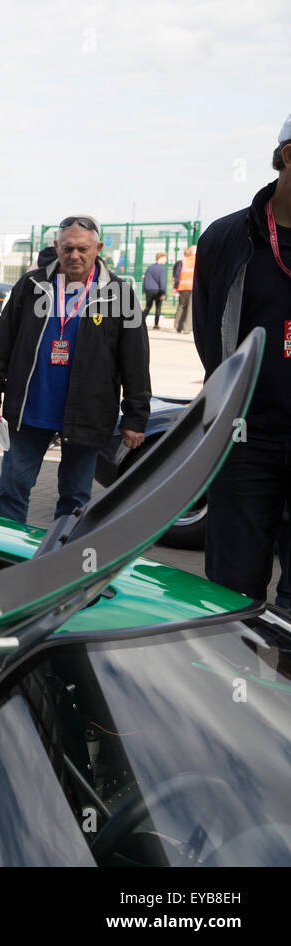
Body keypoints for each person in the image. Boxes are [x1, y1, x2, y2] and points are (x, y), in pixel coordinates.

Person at [0, 215, 150, 524]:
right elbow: (1, 342)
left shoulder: (119, 294)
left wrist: (136, 417)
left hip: (88, 413)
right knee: (13, 489)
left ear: (97, 248)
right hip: (30, 410)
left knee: (75, 498)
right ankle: (4, 559)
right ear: (57, 247)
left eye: (83, 249)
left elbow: (135, 361)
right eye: (68, 248)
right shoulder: (30, 287)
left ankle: (63, 561)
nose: (75, 256)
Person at [191, 112, 291, 603]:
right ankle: (234, 682)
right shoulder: (228, 238)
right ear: (288, 156)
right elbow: (211, 337)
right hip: (245, 439)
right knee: (232, 592)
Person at [142, 252, 168, 328]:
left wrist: (145, 289)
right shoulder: (162, 269)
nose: (166, 260)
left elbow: (145, 279)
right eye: (165, 258)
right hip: (158, 291)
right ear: (161, 258)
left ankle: (141, 322)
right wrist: (163, 292)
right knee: (158, 307)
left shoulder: (149, 268)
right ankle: (156, 324)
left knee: (148, 307)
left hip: (149, 290)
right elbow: (162, 281)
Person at [173, 244, 196, 333]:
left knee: (182, 305)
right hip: (193, 287)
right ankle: (187, 328)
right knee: (191, 308)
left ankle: (177, 326)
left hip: (183, 287)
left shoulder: (183, 261)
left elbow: (177, 275)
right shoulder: (199, 260)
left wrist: (175, 287)